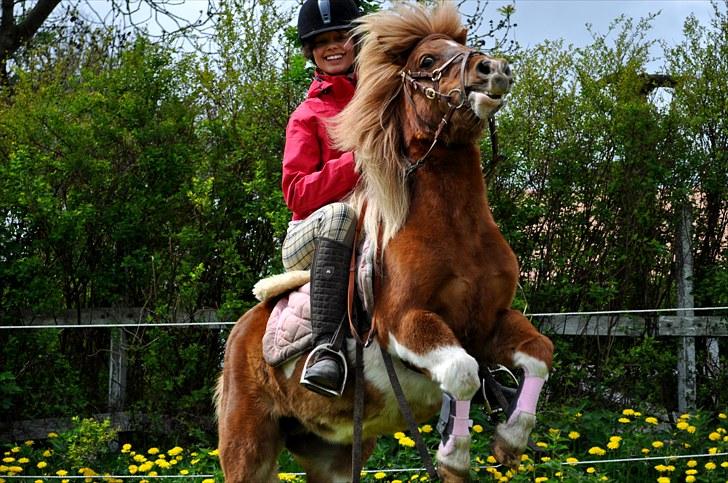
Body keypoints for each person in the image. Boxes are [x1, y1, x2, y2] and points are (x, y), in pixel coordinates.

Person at [281, 0, 361, 397]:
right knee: (343, 215)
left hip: (366, 232)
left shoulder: (379, 101)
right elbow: (295, 192)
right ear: (311, 52)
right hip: (307, 238)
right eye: (322, 41)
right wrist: (357, 162)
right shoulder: (306, 114)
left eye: (341, 37)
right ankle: (327, 349)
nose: (333, 46)